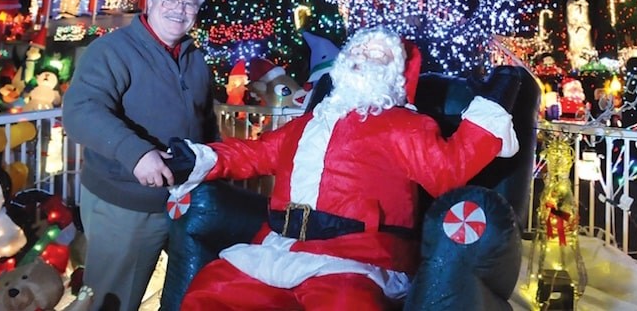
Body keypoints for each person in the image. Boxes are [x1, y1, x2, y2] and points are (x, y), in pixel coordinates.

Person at [169, 26, 521, 310]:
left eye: (378, 55)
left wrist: (490, 107)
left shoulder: (404, 126)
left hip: (357, 259)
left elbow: (449, 169)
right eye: (358, 50)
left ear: (396, 78)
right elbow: (253, 155)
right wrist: (202, 158)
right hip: (278, 250)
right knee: (211, 293)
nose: (363, 58)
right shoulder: (306, 124)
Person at [63, 0, 218, 311]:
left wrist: (218, 165)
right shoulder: (114, 50)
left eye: (190, 4)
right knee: (113, 298)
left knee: (190, 291)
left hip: (183, 200)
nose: (180, 10)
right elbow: (81, 110)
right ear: (150, 2)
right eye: (170, 0)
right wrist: (135, 153)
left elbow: (206, 121)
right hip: (125, 203)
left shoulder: (194, 58)